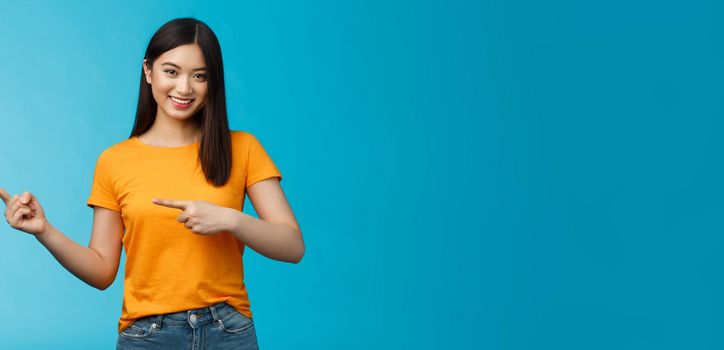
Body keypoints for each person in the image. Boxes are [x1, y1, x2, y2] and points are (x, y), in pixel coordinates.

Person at [0, 17, 304, 349]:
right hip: (147, 335)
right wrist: (45, 231)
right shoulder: (115, 161)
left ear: (212, 82)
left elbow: (292, 246)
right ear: (148, 71)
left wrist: (229, 219)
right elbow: (102, 270)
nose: (184, 88)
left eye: (198, 76)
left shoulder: (243, 149)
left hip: (227, 332)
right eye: (171, 71)